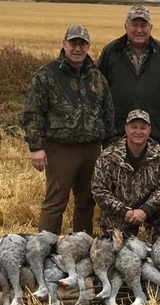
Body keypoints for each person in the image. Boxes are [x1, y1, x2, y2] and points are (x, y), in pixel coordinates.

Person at [22, 24, 115, 234]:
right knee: (55, 202)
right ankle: (46, 250)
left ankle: (81, 247)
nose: (78, 48)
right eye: (73, 43)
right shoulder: (46, 75)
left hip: (92, 149)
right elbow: (33, 113)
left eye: (82, 44)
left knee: (87, 201)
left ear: (88, 46)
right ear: (64, 45)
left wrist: (109, 148)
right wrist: (36, 147)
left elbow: (108, 112)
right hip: (61, 149)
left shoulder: (97, 77)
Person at [96, 5, 160, 148]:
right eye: (134, 25)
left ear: (151, 27)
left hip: (155, 132)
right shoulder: (111, 51)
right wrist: (99, 127)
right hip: (117, 131)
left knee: (155, 170)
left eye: (143, 25)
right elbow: (97, 91)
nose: (139, 30)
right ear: (126, 26)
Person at [90, 109, 160, 238]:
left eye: (143, 128)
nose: (138, 131)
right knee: (118, 249)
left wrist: (146, 210)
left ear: (149, 130)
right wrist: (123, 210)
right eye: (134, 127)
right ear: (126, 129)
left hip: (150, 209)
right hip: (120, 212)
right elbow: (99, 189)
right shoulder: (109, 155)